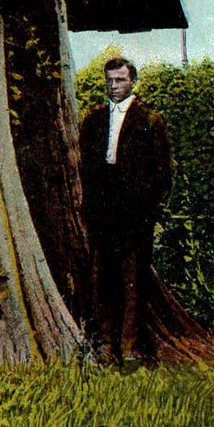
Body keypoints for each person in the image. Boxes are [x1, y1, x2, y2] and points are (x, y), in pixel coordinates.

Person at [78, 57, 172, 370]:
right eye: (110, 81)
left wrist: (147, 210)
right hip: (103, 212)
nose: (114, 86)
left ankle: (130, 348)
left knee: (134, 281)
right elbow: (86, 168)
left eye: (120, 80)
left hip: (134, 215)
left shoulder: (149, 119)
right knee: (103, 279)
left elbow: (162, 174)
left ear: (132, 81)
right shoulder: (93, 120)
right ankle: (106, 347)